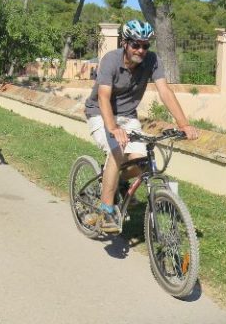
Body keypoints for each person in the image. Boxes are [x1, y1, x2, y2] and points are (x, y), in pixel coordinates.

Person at [84, 19, 199, 233]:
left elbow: (165, 92)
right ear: (125, 43)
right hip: (100, 113)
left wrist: (183, 124)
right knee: (117, 153)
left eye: (145, 45)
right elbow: (103, 97)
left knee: (142, 162)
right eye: (136, 44)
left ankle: (116, 183)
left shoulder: (152, 61)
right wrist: (113, 128)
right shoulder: (110, 60)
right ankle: (106, 210)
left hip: (128, 116)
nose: (141, 50)